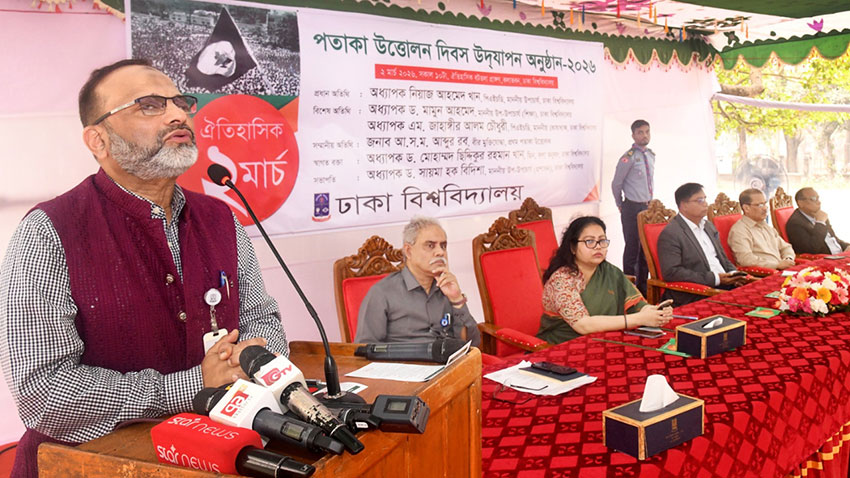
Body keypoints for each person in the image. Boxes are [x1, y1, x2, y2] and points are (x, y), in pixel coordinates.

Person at [0, 59, 287, 478]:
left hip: (213, 455)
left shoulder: (221, 217)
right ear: (98, 139)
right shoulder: (49, 232)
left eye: (180, 102)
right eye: (149, 105)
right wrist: (194, 385)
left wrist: (250, 358)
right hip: (87, 466)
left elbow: (263, 319)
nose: (177, 115)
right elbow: (43, 393)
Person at [536, 216, 672, 345]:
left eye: (602, 241)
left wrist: (654, 312)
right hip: (562, 347)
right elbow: (583, 325)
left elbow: (636, 304)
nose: (598, 246)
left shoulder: (610, 271)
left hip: (604, 340)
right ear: (573, 247)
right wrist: (640, 318)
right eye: (589, 241)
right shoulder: (562, 279)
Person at [355, 217, 481, 347]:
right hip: (405, 359)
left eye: (443, 246)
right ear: (408, 251)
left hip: (448, 358)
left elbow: (471, 344)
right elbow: (365, 348)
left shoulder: (446, 288)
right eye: (430, 246)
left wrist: (456, 300)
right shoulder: (382, 293)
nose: (440, 252)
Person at [657, 183, 749, 306]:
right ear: (684, 205)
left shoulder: (708, 226)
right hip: (696, 293)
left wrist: (734, 275)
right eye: (699, 200)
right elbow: (672, 272)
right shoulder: (672, 233)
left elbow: (722, 258)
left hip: (725, 285)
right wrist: (715, 279)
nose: (705, 204)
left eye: (705, 199)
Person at [611, 119, 653, 297]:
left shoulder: (650, 155)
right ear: (633, 135)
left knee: (645, 251)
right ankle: (630, 293)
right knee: (632, 250)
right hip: (632, 207)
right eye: (640, 132)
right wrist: (620, 204)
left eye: (647, 131)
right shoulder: (628, 157)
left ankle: (644, 291)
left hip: (647, 207)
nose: (644, 135)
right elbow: (616, 183)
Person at [728, 188, 795, 269]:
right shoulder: (740, 230)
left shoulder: (766, 226)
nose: (765, 208)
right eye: (760, 205)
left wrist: (788, 258)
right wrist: (776, 265)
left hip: (781, 269)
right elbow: (745, 259)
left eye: (764, 204)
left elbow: (785, 247)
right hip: (765, 273)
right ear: (746, 208)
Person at [786, 187, 850, 255]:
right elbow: (812, 249)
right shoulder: (795, 224)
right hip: (826, 258)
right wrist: (820, 222)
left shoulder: (819, 215)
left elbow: (834, 240)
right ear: (801, 203)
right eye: (813, 199)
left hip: (841, 254)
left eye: (818, 198)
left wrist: (847, 246)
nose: (819, 202)